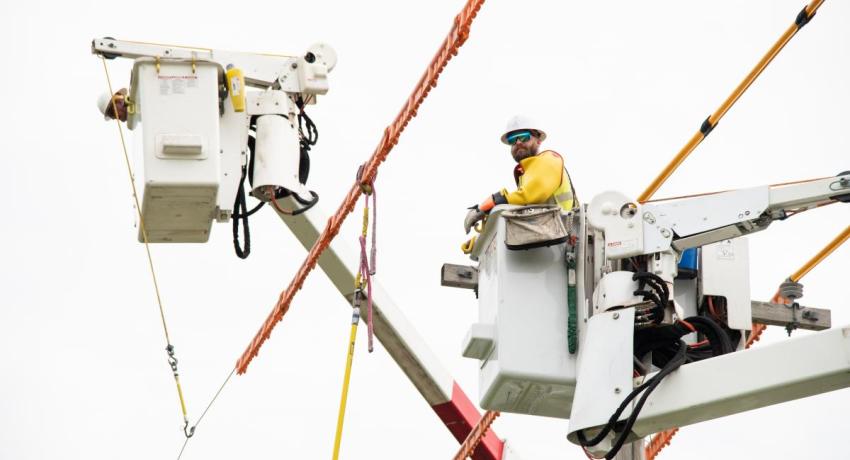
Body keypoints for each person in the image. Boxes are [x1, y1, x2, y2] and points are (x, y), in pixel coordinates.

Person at [464, 115, 578, 233]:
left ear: (538, 140)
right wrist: (482, 240)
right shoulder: (527, 176)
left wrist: (488, 205)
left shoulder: (550, 160)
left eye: (524, 137)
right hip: (547, 235)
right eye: (513, 140)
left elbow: (530, 194)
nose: (518, 142)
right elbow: (519, 216)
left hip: (561, 236)